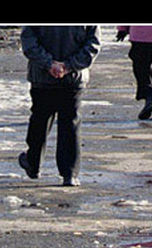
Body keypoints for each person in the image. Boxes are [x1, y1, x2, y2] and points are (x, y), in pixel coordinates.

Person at [19, 25, 101, 187]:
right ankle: (69, 174)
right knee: (70, 124)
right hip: (73, 78)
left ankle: (33, 163)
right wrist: (69, 66)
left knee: (40, 121)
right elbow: (93, 44)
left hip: (43, 77)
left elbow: (29, 42)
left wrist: (50, 64)